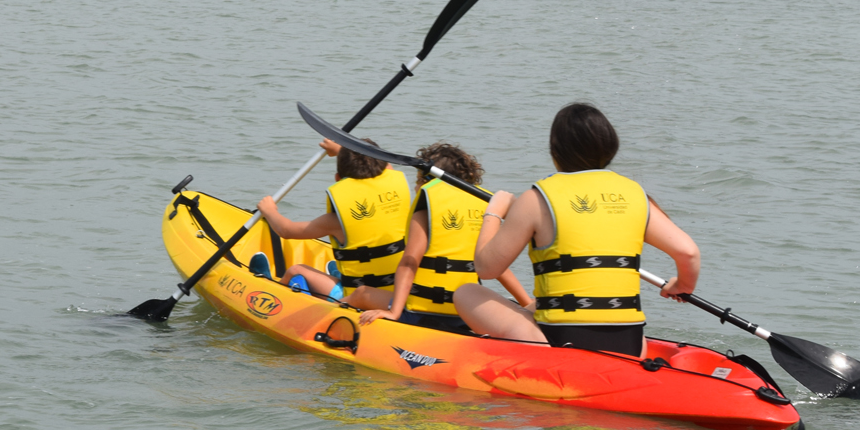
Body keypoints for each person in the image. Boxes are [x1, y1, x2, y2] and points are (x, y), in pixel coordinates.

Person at [451, 103, 702, 356]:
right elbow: (688, 253)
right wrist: (681, 285)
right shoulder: (636, 194)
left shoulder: (536, 198)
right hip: (631, 342)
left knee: (466, 292)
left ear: (555, 150)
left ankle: (536, 352)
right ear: (610, 146)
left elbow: (486, 268)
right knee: (540, 303)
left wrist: (494, 212)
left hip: (562, 341)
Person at [358, 143, 535, 330]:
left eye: (418, 180)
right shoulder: (483, 208)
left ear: (428, 180)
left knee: (362, 293)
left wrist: (394, 312)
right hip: (466, 313)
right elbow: (498, 268)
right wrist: (525, 303)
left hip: (421, 313)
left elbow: (410, 263)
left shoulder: (425, 211)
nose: (416, 186)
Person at [255, 139, 408, 311]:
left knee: (296, 270)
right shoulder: (398, 191)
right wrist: (341, 149)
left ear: (337, 179)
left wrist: (269, 210)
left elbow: (286, 230)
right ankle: (337, 275)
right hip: (397, 294)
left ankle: (270, 293)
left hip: (355, 297)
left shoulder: (334, 221)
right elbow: (382, 162)